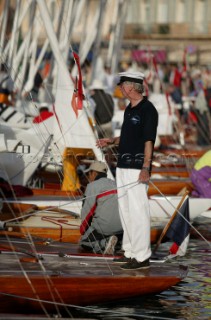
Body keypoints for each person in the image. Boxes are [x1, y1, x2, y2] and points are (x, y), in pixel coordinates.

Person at [96, 71, 158, 270]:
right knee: (126, 211)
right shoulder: (129, 110)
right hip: (122, 166)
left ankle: (142, 257)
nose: (120, 89)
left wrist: (146, 167)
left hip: (136, 167)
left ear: (131, 87)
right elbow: (130, 137)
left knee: (138, 211)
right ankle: (130, 251)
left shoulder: (148, 110)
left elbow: (148, 140)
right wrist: (112, 140)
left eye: (121, 85)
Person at [79, 161, 123, 254]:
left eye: (89, 174)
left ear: (94, 173)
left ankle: (104, 243)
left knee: (84, 242)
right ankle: (118, 244)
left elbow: (87, 212)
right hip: (121, 227)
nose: (88, 177)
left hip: (104, 228)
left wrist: (83, 231)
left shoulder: (92, 186)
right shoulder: (116, 184)